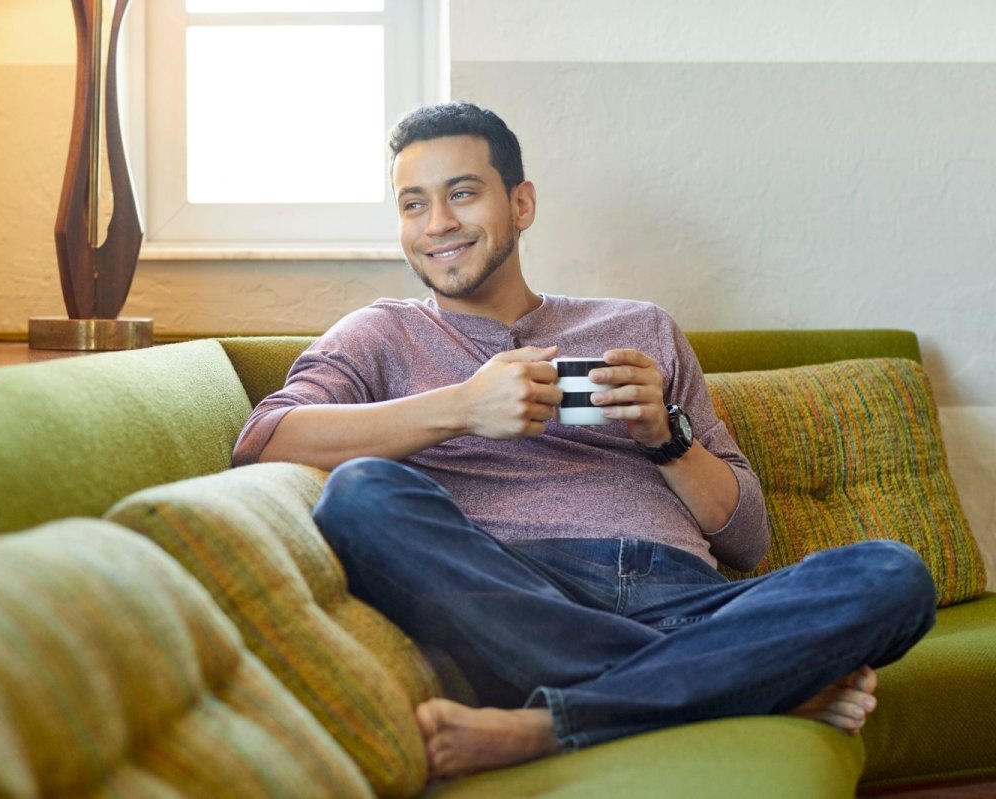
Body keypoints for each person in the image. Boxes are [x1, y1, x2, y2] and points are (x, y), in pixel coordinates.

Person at [232, 101, 936, 780]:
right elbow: (263, 442)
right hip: (516, 598)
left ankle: (559, 720)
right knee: (360, 494)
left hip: (682, 595)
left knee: (893, 573)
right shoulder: (377, 335)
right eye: (413, 204)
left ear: (521, 204)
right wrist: (462, 407)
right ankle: (739, 678)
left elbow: (747, 541)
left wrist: (667, 438)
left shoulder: (642, 327)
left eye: (463, 193)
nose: (438, 224)